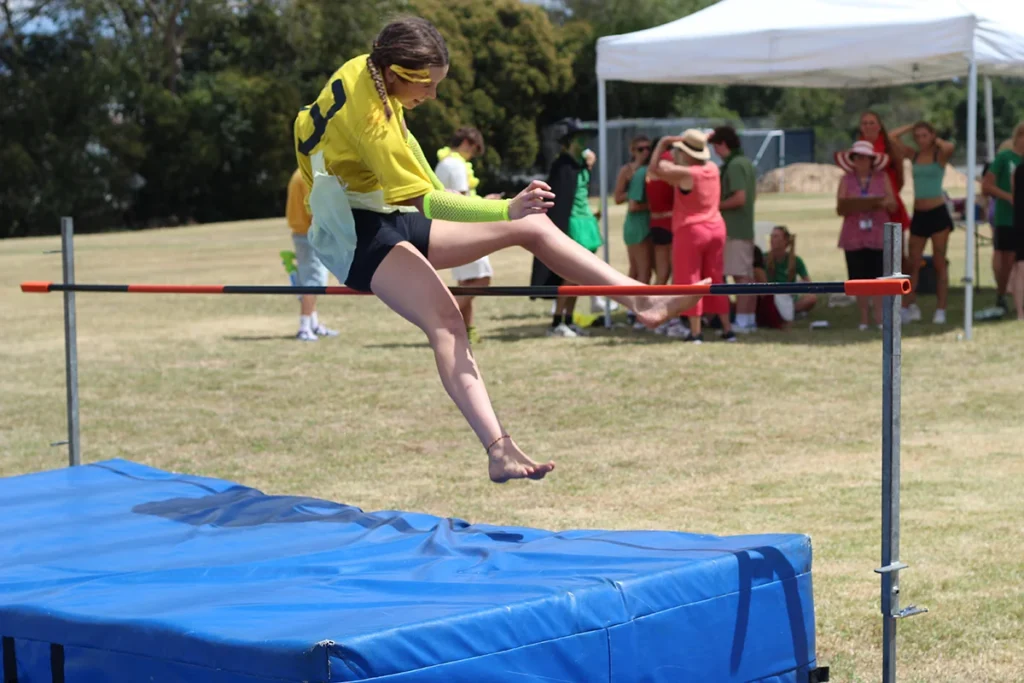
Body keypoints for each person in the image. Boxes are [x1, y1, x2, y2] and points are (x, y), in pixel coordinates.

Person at [294, 19, 702, 482]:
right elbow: (427, 202)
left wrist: (486, 208)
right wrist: (505, 208)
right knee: (448, 321)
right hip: (354, 235)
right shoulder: (373, 122)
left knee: (532, 225)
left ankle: (642, 300)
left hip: (382, 211)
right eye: (427, 85)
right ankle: (498, 450)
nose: (433, 95)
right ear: (394, 72)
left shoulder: (367, 70)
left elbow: (416, 168)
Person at [648, 130, 735, 343]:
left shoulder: (687, 174)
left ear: (686, 153)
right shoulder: (712, 168)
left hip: (692, 231)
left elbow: (654, 169)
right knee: (716, 279)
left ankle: (695, 332)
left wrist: (663, 144)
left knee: (690, 281)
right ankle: (727, 330)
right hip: (716, 228)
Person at [434, 126, 500, 344]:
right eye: (474, 150)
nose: (472, 155)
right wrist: (488, 204)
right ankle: (440, 319)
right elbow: (462, 201)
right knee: (482, 279)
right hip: (464, 229)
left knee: (467, 282)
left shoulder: (444, 163)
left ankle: (467, 330)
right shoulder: (455, 165)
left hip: (451, 229)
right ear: (465, 143)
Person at [887, 121, 955, 325]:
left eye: (924, 135)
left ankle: (941, 309)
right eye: (917, 136)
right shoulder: (914, 155)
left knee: (939, 263)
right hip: (919, 213)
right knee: (912, 263)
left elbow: (950, 147)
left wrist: (935, 138)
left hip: (938, 212)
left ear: (932, 135)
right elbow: (891, 137)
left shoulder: (939, 155)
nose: (920, 140)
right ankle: (909, 306)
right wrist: (911, 126)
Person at [835, 140, 897, 330]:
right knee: (858, 278)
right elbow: (840, 208)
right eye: (858, 157)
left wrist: (881, 203)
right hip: (853, 235)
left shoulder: (882, 178)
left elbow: (893, 205)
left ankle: (878, 317)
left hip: (877, 233)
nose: (861, 161)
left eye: (865, 158)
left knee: (879, 276)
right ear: (853, 160)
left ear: (872, 160)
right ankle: (863, 319)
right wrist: (855, 205)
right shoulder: (846, 180)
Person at [709, 126, 758, 332]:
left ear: (723, 144)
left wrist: (713, 206)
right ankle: (748, 319)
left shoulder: (735, 165)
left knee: (741, 277)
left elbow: (739, 198)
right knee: (745, 275)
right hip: (743, 227)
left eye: (715, 146)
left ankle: (743, 321)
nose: (715, 151)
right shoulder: (744, 162)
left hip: (734, 229)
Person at [285, 168, 339, 341]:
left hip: (302, 232)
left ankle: (313, 324)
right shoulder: (308, 176)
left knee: (310, 279)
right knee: (313, 281)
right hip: (310, 234)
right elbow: (315, 209)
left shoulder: (298, 173)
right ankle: (304, 327)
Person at [982, 122, 1024, 314]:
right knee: (1006, 259)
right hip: (1007, 217)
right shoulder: (1005, 157)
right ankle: (1002, 294)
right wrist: (1009, 197)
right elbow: (987, 186)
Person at [614, 135, 653, 326]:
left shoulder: (651, 168)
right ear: (632, 151)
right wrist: (634, 191)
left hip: (646, 222)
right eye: (640, 149)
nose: (645, 152)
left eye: (648, 148)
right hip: (636, 223)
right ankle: (636, 309)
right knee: (641, 270)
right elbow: (617, 198)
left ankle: (631, 307)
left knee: (638, 269)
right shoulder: (627, 170)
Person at [858, 111, 910, 232]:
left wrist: (892, 193)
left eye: (872, 123)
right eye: (865, 123)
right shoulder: (857, 148)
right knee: (866, 241)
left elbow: (900, 176)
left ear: (879, 126)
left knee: (893, 242)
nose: (868, 126)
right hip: (864, 206)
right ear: (861, 127)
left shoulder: (890, 146)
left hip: (889, 203)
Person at [760, 225, 817, 328]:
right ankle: (786, 313)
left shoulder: (795, 260)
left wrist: (799, 287)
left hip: (790, 297)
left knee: (811, 299)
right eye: (771, 236)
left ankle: (788, 311)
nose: (772, 239)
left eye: (776, 236)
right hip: (771, 297)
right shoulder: (763, 259)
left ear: (785, 241)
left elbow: (809, 284)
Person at [646, 138, 674, 289]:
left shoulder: (650, 169)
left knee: (661, 275)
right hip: (671, 223)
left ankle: (654, 302)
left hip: (656, 223)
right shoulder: (670, 164)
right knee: (676, 273)